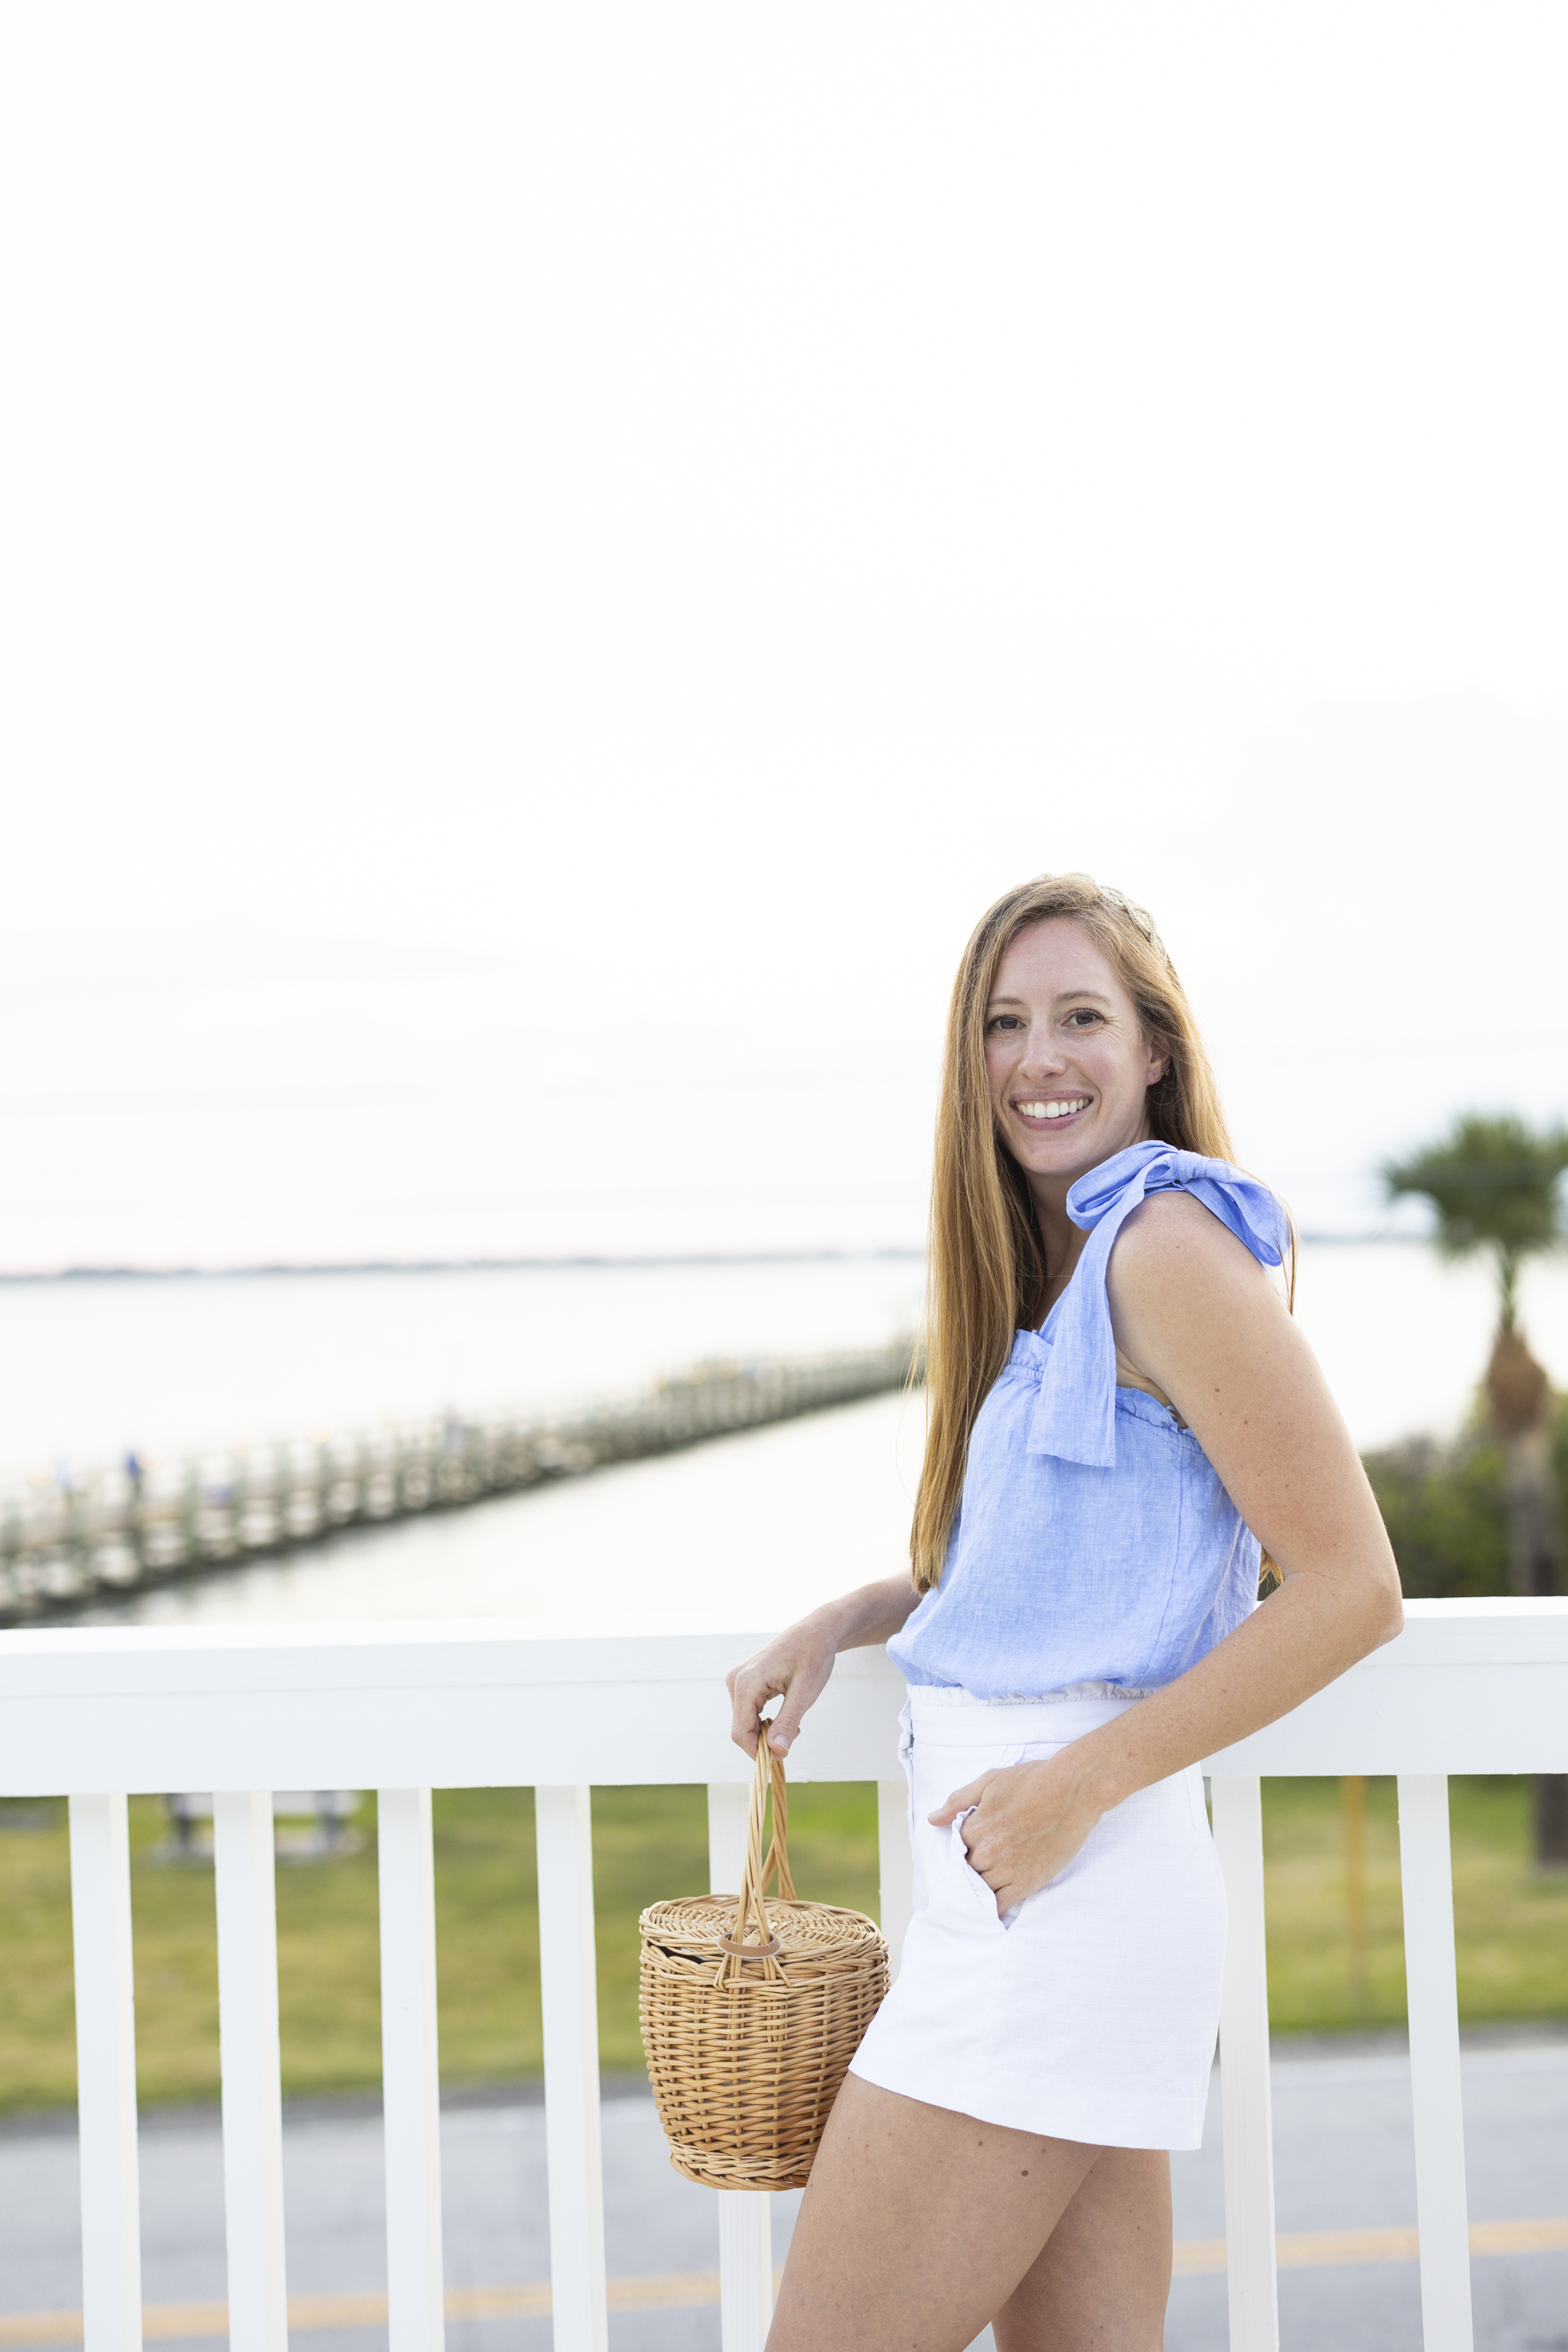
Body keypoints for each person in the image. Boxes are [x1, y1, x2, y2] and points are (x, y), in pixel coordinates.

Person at [726, 873, 1403, 2352]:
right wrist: (848, 1616)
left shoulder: (1166, 1250)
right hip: (1048, 1892)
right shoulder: (1071, 1269)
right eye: (1005, 1022)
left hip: (1057, 1895)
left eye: (1081, 1017)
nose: (1041, 1058)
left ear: (1154, 1047)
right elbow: (1060, 1577)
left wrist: (1068, 1795)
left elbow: (1355, 1590)